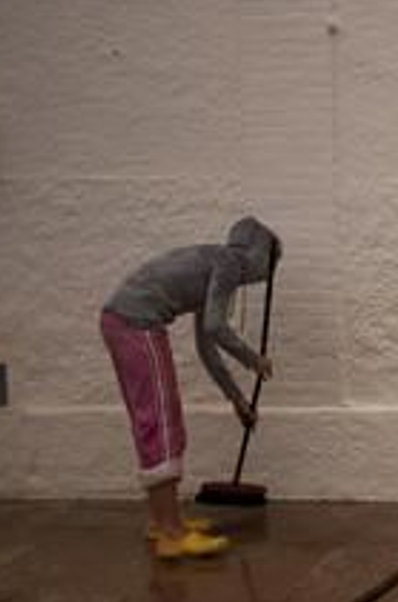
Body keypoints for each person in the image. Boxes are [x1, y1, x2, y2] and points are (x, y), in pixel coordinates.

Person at [101, 216, 280, 559]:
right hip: (137, 324)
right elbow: (215, 327)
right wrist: (252, 359)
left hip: (124, 321)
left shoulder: (214, 262)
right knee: (162, 422)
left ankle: (163, 521)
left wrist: (238, 400)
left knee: (155, 420)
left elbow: (206, 345)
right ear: (261, 253)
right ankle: (172, 534)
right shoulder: (228, 263)